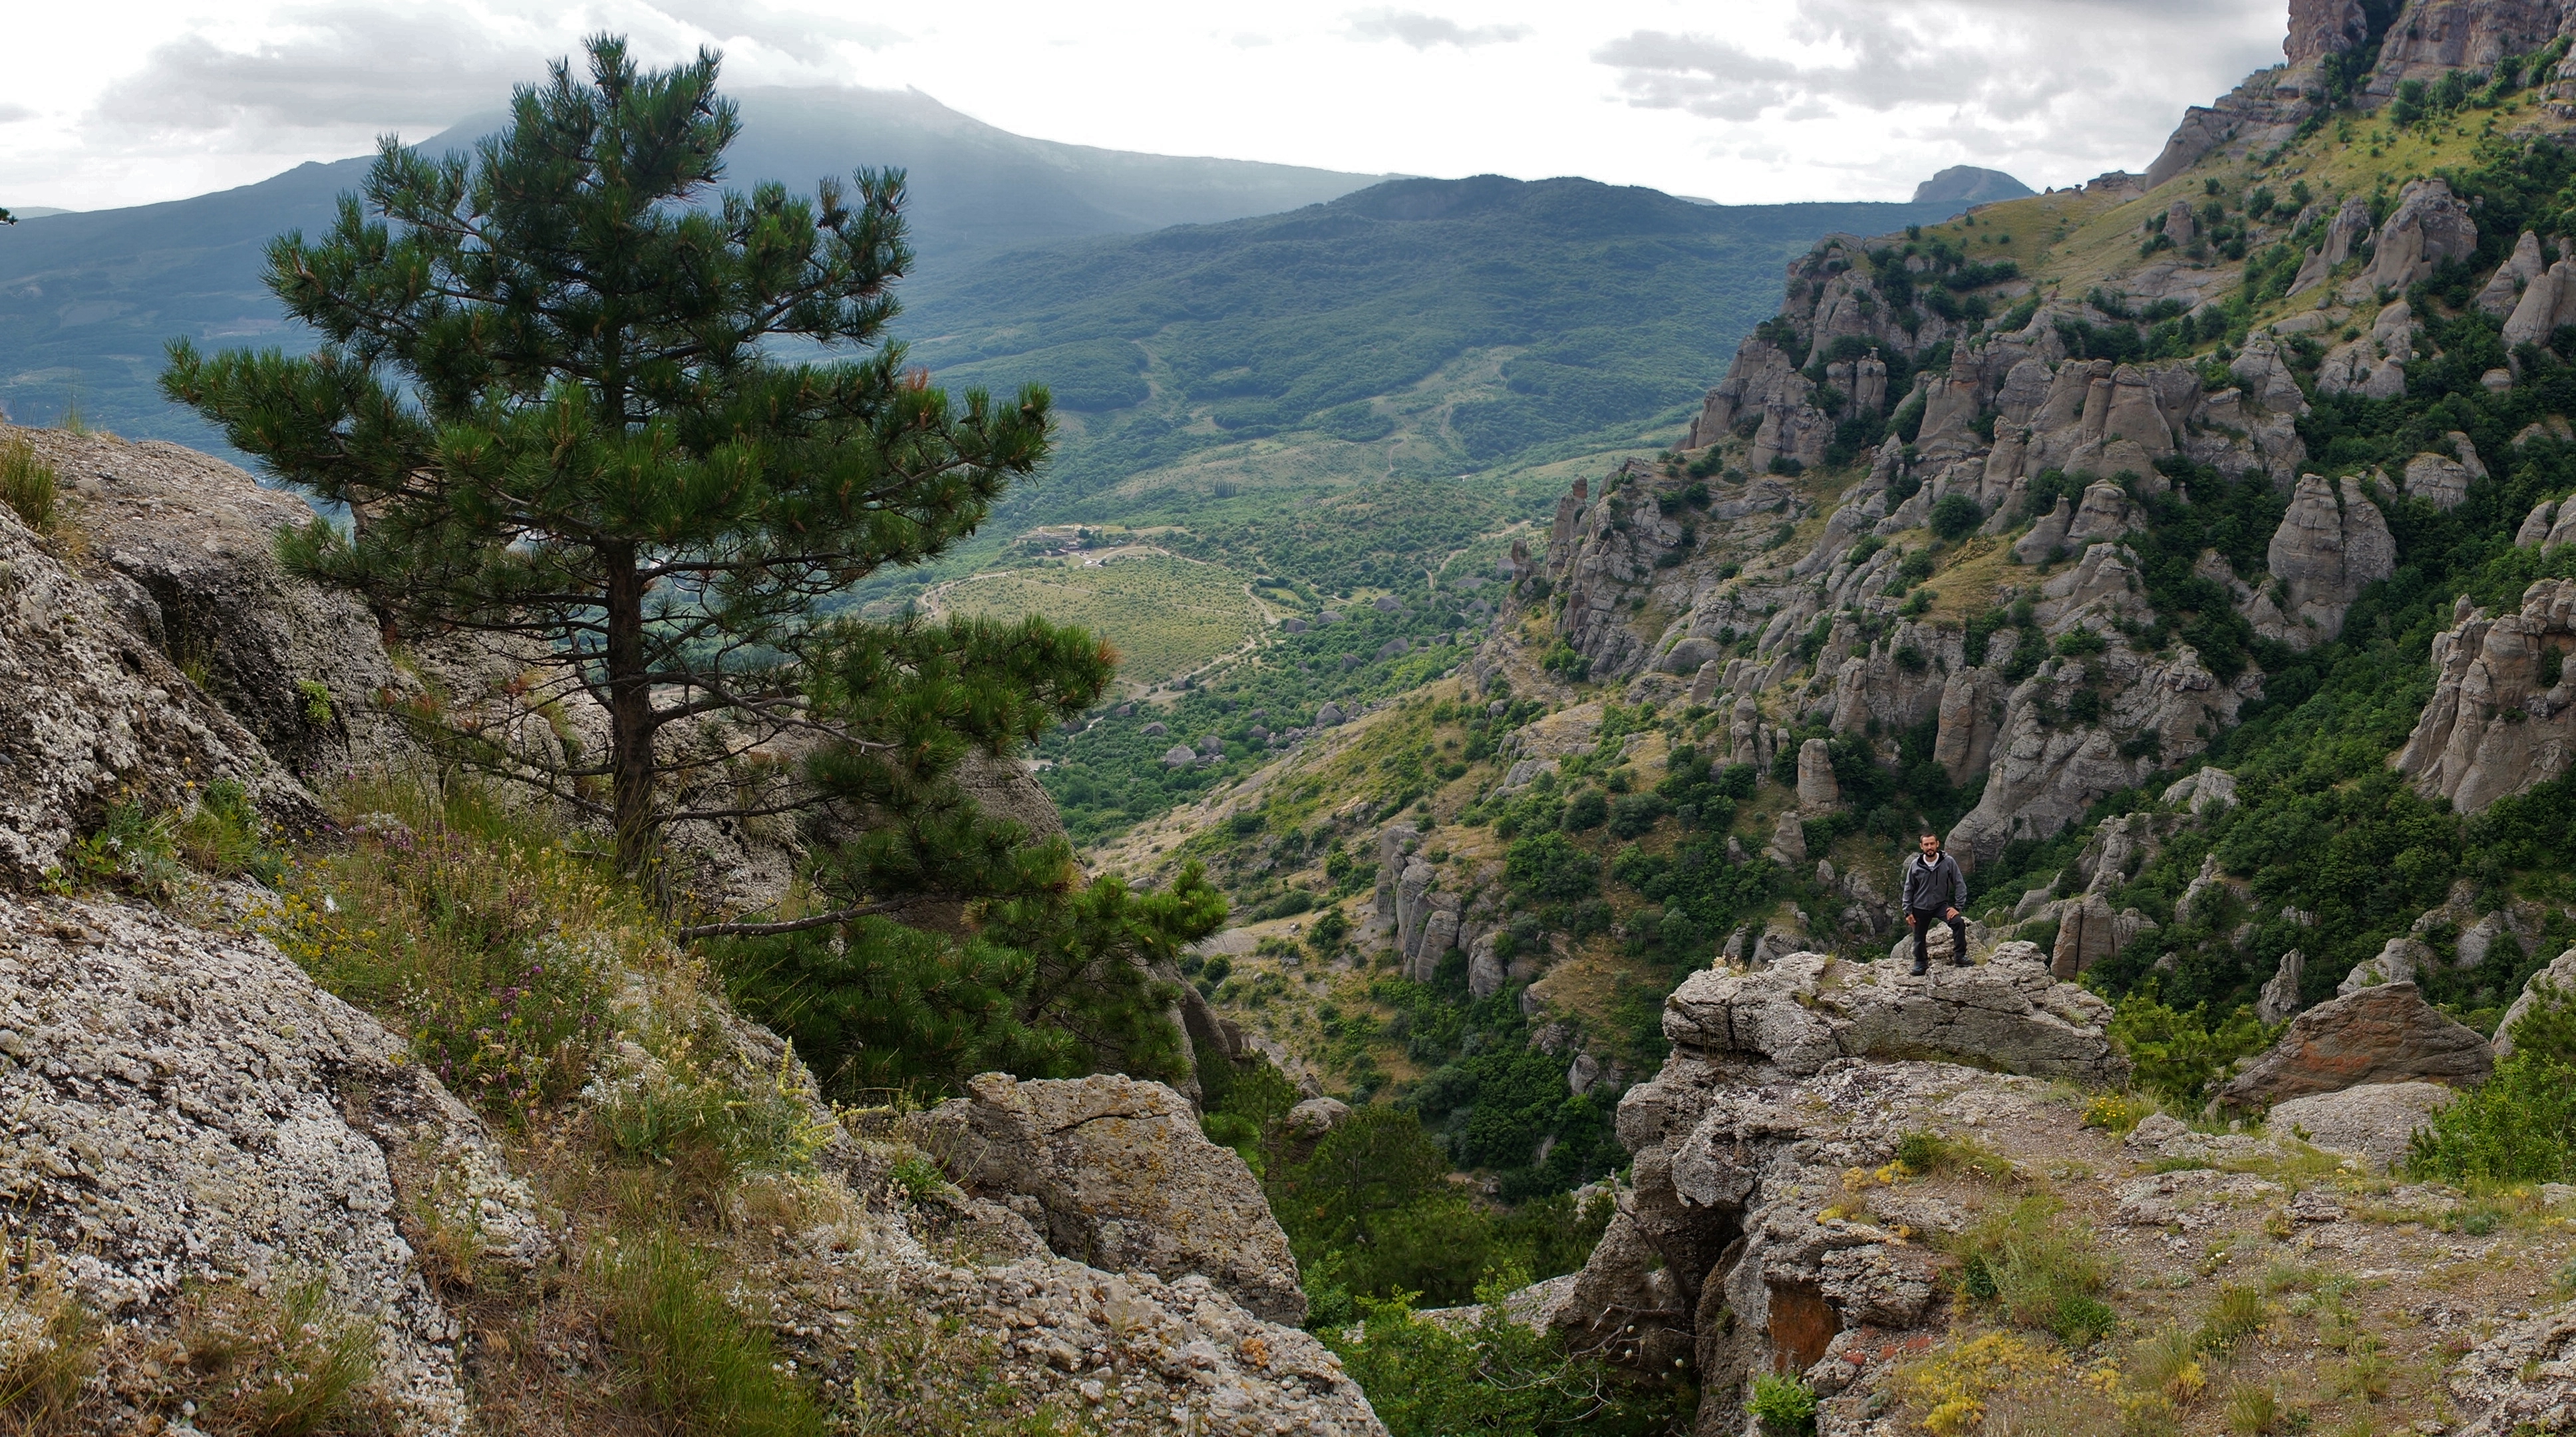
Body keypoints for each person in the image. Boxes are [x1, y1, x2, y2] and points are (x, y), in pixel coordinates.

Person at [1901, 830, 1969, 975]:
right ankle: (1920, 964)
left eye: (1932, 843)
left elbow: (1959, 883)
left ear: (1937, 844)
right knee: (1919, 937)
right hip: (1920, 906)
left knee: (1958, 923)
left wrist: (1957, 907)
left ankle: (1960, 957)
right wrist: (1908, 912)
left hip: (1940, 905)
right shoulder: (1916, 865)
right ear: (1921, 847)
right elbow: (1908, 889)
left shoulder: (1948, 862)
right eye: (1926, 844)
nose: (1930, 847)